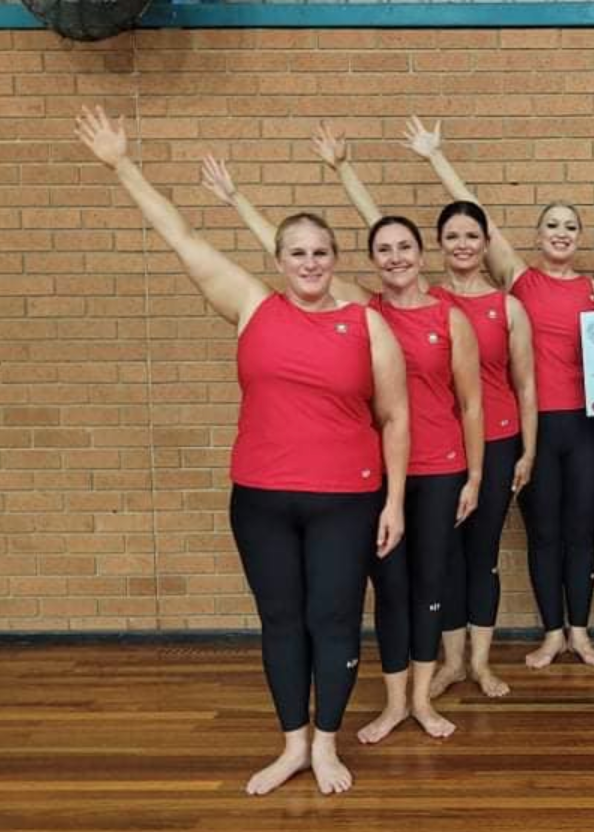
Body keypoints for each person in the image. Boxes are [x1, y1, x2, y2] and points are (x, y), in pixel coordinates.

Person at [76, 106, 410, 795]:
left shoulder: (366, 324)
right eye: (298, 253)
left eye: (321, 253)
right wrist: (122, 165)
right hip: (261, 499)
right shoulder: (252, 306)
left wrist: (395, 503)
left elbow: (396, 417)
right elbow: (182, 236)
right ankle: (292, 745)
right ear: (279, 261)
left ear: (335, 261)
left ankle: (326, 744)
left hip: (347, 500)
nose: (310, 263)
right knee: (281, 621)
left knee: (333, 620)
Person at [200, 160, 484, 741]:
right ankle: (394, 702)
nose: (396, 257)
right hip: (375, 474)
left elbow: (472, 403)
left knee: (429, 585)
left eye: (405, 247)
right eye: (384, 250)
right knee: (387, 591)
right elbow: (298, 258)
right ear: (372, 261)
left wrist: (476, 477)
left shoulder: (449, 318)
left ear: (422, 254)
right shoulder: (363, 308)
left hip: (439, 468)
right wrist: (237, 200)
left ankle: (422, 701)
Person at [305, 127, 537, 701]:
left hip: (489, 443)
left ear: (486, 243)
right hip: (430, 448)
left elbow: (518, 386)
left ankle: (479, 664)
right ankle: (450, 662)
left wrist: (519, 454)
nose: (463, 244)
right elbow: (382, 233)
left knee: (480, 557)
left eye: (472, 236)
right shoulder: (428, 296)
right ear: (437, 247)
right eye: (451, 236)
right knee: (442, 562)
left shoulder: (505, 303)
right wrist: (343, 169)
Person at [406, 118, 594, 669]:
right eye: (552, 225)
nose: (561, 233)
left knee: (582, 532)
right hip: (537, 429)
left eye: (570, 226)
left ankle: (580, 632)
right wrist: (436, 157)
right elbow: (476, 219)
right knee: (543, 534)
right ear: (537, 235)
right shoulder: (520, 281)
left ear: (579, 236)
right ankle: (551, 633)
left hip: (591, 429)